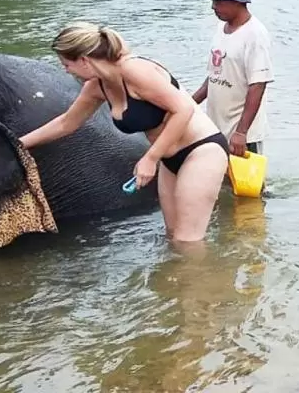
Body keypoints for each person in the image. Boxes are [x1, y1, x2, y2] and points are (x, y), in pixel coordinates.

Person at [18, 23, 231, 243]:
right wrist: (18, 144)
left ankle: (213, 276)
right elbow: (66, 123)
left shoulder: (134, 70)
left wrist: (150, 158)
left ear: (84, 60)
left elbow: (183, 109)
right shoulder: (96, 87)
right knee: (172, 237)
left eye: (66, 64)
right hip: (169, 159)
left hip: (201, 150)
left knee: (188, 241)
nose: (66, 70)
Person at [192, 0, 274, 158]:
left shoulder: (255, 35)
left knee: (248, 185)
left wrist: (241, 132)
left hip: (243, 135)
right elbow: (215, 74)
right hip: (217, 127)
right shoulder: (221, 28)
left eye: (219, 2)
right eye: (212, 1)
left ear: (237, 1)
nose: (213, 7)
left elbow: (258, 84)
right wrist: (190, 103)